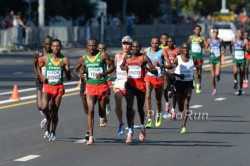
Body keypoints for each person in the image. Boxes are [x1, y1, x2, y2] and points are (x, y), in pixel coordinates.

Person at [120, 40, 158, 143]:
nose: (136, 49)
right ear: (131, 47)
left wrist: (144, 67)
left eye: (138, 47)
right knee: (129, 107)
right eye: (134, 47)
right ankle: (130, 131)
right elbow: (121, 66)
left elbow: (155, 70)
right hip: (130, 86)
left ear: (140, 47)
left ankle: (142, 127)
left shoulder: (144, 58)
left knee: (140, 109)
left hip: (140, 86)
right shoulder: (127, 57)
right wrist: (125, 67)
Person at [80, 38, 115, 145]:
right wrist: (81, 74)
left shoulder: (102, 55)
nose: (91, 48)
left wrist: (104, 73)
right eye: (89, 46)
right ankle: (91, 137)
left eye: (93, 46)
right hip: (90, 86)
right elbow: (79, 69)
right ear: (87, 46)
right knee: (90, 111)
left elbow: (112, 66)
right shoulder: (84, 57)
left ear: (96, 46)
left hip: (101, 86)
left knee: (101, 111)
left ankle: (103, 115)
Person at [38, 39, 71, 141]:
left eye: (58, 46)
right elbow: (36, 67)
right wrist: (41, 76)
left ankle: (53, 131)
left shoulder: (64, 59)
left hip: (58, 87)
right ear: (51, 47)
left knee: (55, 111)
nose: (56, 48)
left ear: (60, 47)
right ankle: (47, 118)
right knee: (44, 107)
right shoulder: (46, 58)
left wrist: (64, 69)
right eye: (54, 46)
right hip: (48, 87)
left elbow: (69, 77)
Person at [168, 42, 198, 134]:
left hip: (188, 83)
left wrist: (197, 74)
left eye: (187, 48)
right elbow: (170, 69)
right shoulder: (177, 59)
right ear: (181, 49)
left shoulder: (193, 58)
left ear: (189, 49)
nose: (185, 50)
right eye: (184, 48)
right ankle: (179, 108)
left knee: (186, 104)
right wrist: (175, 74)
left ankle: (184, 125)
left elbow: (197, 69)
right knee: (180, 107)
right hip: (178, 83)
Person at [143, 37, 172, 128]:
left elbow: (170, 65)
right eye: (153, 43)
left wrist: (161, 65)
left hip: (158, 77)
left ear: (158, 43)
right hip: (148, 77)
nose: (155, 45)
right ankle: (149, 119)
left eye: (156, 43)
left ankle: (158, 114)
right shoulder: (146, 51)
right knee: (147, 96)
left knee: (158, 100)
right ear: (150, 43)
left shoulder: (162, 52)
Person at [113, 36, 132, 135]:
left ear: (131, 45)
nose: (125, 46)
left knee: (130, 107)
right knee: (118, 103)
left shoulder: (134, 56)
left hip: (130, 85)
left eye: (127, 44)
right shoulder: (117, 56)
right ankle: (121, 123)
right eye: (124, 43)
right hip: (119, 84)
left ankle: (131, 124)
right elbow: (113, 68)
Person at [33, 36, 53, 130]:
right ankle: (47, 117)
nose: (48, 46)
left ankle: (48, 119)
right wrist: (37, 74)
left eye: (50, 44)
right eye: (46, 43)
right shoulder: (39, 53)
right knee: (39, 106)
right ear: (43, 44)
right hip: (40, 81)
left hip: (50, 82)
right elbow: (34, 64)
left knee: (46, 106)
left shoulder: (54, 53)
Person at [163, 36, 181, 120]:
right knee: (165, 87)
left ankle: (173, 109)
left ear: (174, 42)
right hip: (166, 71)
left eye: (171, 41)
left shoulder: (178, 51)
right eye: (168, 41)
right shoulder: (164, 51)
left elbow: (183, 60)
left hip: (175, 73)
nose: (170, 43)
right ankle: (167, 103)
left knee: (175, 93)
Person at [73, 50, 89, 142]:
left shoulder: (100, 59)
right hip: (84, 86)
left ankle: (89, 132)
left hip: (95, 85)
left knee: (91, 110)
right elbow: (74, 71)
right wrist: (79, 75)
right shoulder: (83, 59)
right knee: (87, 111)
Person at [205, 28, 226, 95]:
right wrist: (208, 49)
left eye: (216, 33)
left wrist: (223, 52)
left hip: (218, 59)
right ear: (212, 33)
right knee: (213, 76)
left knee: (216, 74)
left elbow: (224, 46)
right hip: (211, 59)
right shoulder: (209, 40)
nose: (214, 34)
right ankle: (214, 89)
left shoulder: (220, 40)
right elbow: (205, 49)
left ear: (217, 34)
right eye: (213, 33)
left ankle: (218, 76)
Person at [230, 29, 249, 95]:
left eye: (240, 33)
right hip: (236, 59)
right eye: (238, 33)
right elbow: (230, 45)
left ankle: (240, 88)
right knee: (235, 72)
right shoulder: (234, 40)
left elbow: (249, 51)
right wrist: (231, 52)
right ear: (236, 34)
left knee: (241, 75)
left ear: (242, 34)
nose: (239, 34)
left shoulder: (245, 41)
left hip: (242, 59)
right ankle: (235, 81)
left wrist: (244, 48)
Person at [188, 24, 206, 93]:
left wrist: (200, 43)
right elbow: (187, 45)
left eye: (199, 29)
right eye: (196, 29)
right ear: (194, 30)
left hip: (199, 57)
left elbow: (204, 47)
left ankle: (199, 85)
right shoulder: (191, 37)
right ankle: (192, 80)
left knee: (199, 71)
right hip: (192, 56)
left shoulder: (202, 38)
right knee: (192, 70)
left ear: (200, 31)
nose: (197, 31)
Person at [97, 42, 112, 115]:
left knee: (106, 96)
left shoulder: (107, 58)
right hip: (98, 81)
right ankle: (102, 116)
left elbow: (112, 67)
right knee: (100, 98)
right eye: (100, 48)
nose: (101, 50)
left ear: (105, 49)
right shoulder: (94, 58)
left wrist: (109, 74)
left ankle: (107, 105)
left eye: (103, 49)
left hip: (107, 80)